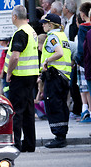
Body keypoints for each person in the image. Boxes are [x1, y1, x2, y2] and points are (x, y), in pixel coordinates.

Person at [4, 5, 39, 152]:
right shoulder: (31, 31)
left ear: (14, 17)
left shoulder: (20, 33)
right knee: (28, 111)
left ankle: (16, 144)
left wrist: (9, 72)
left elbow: (15, 56)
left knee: (17, 111)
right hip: (30, 75)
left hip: (20, 76)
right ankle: (30, 144)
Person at [39, 13, 72, 148]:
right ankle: (61, 135)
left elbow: (59, 53)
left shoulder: (52, 37)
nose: (43, 25)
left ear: (51, 25)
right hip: (64, 76)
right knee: (61, 105)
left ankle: (59, 137)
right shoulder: (63, 35)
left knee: (54, 104)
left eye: (44, 23)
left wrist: (46, 60)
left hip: (55, 76)